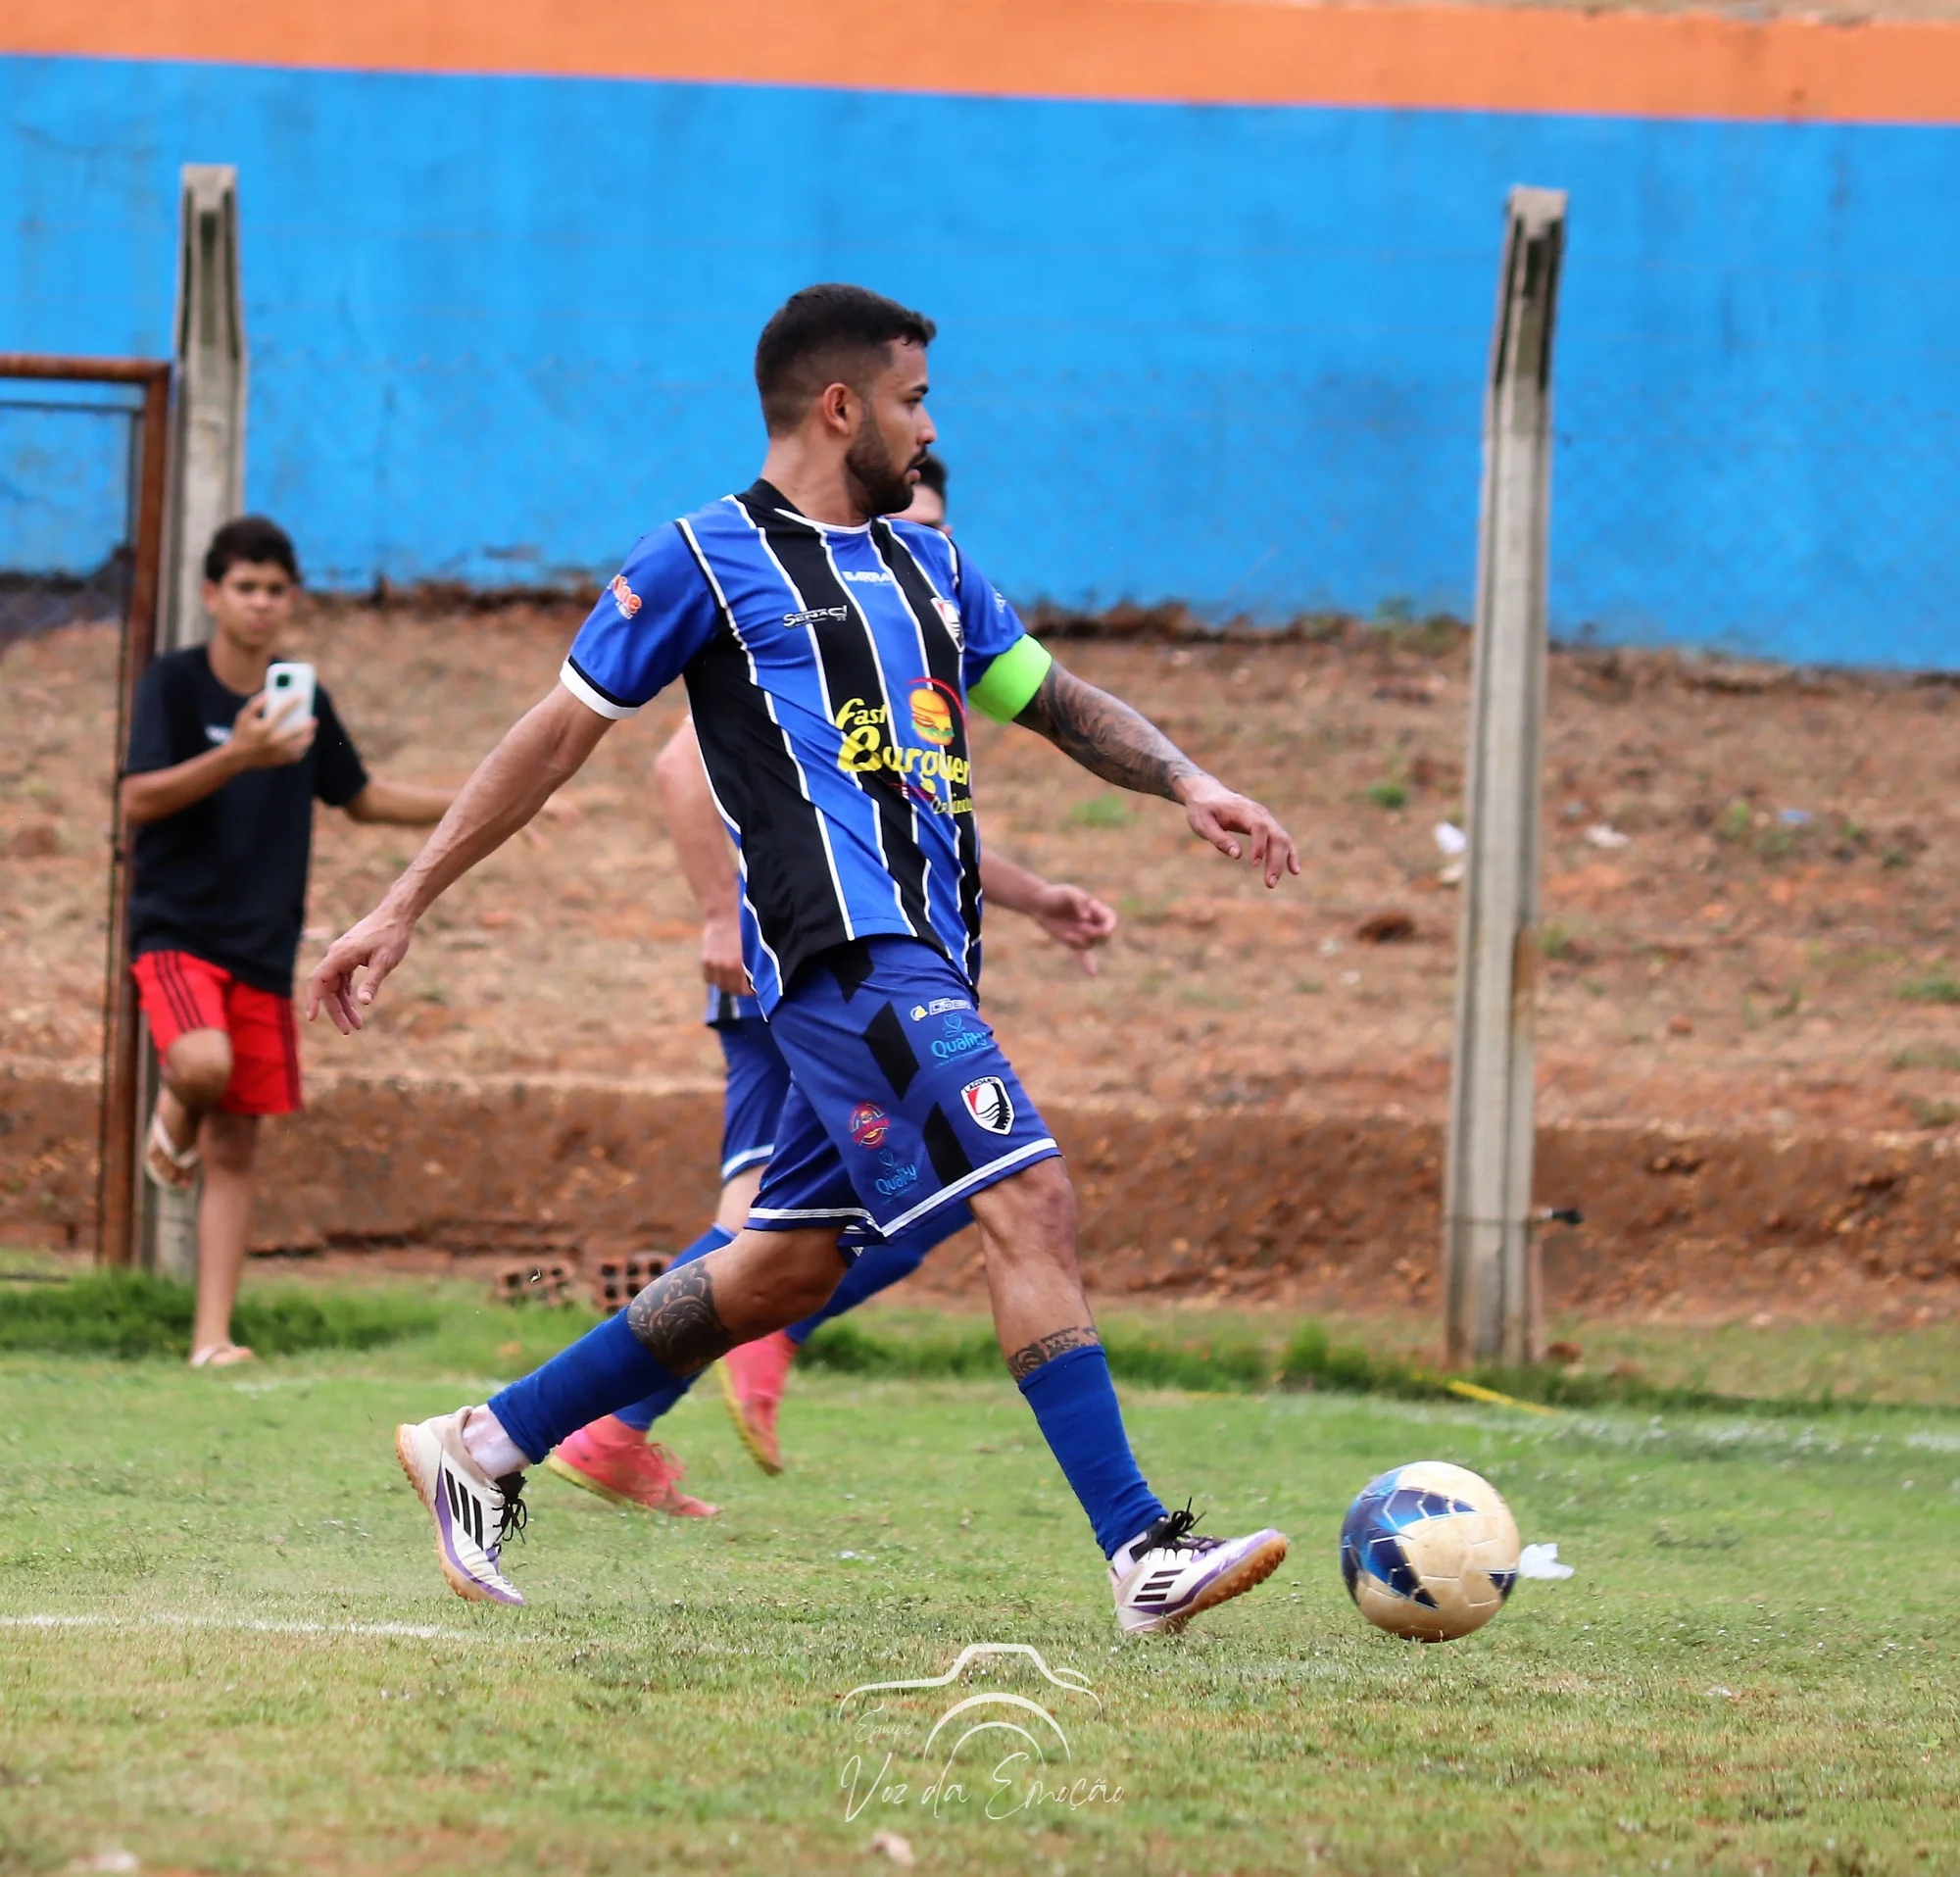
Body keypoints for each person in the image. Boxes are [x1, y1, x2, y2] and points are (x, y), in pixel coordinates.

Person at [310, 283, 1301, 1635]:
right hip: (847, 958)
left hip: (929, 959)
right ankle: (1140, 1547)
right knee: (1032, 1197)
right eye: (912, 400)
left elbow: (1054, 700)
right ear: (840, 407)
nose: (929, 427)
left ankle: (480, 1445)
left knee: (780, 1269)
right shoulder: (701, 560)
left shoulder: (932, 570)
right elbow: (555, 738)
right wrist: (403, 900)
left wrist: (1190, 779)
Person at [546, 452, 1112, 1512]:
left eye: (932, 527)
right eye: (902, 520)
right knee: (891, 1198)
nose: (911, 542)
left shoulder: (917, 626)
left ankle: (578, 1424)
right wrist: (718, 910)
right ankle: (640, 1402)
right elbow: (679, 765)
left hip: (869, 953)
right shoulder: (797, 612)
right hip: (795, 958)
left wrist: (1037, 899)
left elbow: (902, 822)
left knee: (873, 1207)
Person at [122, 517, 456, 1367]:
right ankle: (170, 1120)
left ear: (292, 598)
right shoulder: (174, 685)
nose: (261, 603)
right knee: (202, 1067)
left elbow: (363, 796)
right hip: (177, 931)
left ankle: (211, 1340)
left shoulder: (305, 699)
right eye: (246, 587)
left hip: (264, 950)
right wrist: (236, 755)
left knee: (235, 1149)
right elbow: (137, 799)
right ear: (212, 594)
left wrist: (484, 804)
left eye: (275, 589)